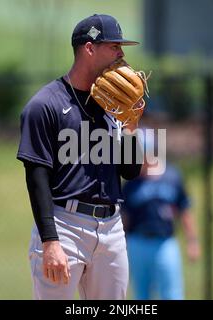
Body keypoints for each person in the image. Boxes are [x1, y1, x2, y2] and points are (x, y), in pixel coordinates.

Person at [16, 14, 143, 300]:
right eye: (114, 46)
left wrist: (131, 126)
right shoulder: (44, 105)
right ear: (89, 48)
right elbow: (36, 178)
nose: (122, 54)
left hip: (111, 228)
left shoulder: (113, 102)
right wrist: (50, 241)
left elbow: (131, 171)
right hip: (64, 226)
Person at [122, 136, 201, 300]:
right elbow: (124, 218)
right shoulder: (131, 182)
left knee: (172, 294)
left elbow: (184, 210)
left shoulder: (172, 176)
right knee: (141, 296)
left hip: (166, 243)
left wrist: (192, 241)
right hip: (137, 243)